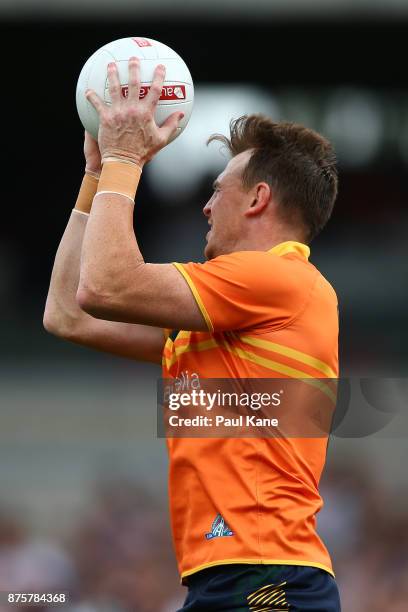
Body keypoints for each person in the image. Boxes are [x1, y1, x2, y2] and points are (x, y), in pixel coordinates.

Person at [44, 57, 341, 611]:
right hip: (234, 577)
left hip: (268, 578)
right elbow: (68, 314)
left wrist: (126, 161)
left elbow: (106, 286)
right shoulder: (235, 311)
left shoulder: (281, 279)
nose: (205, 206)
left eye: (218, 189)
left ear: (258, 201)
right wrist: (95, 177)